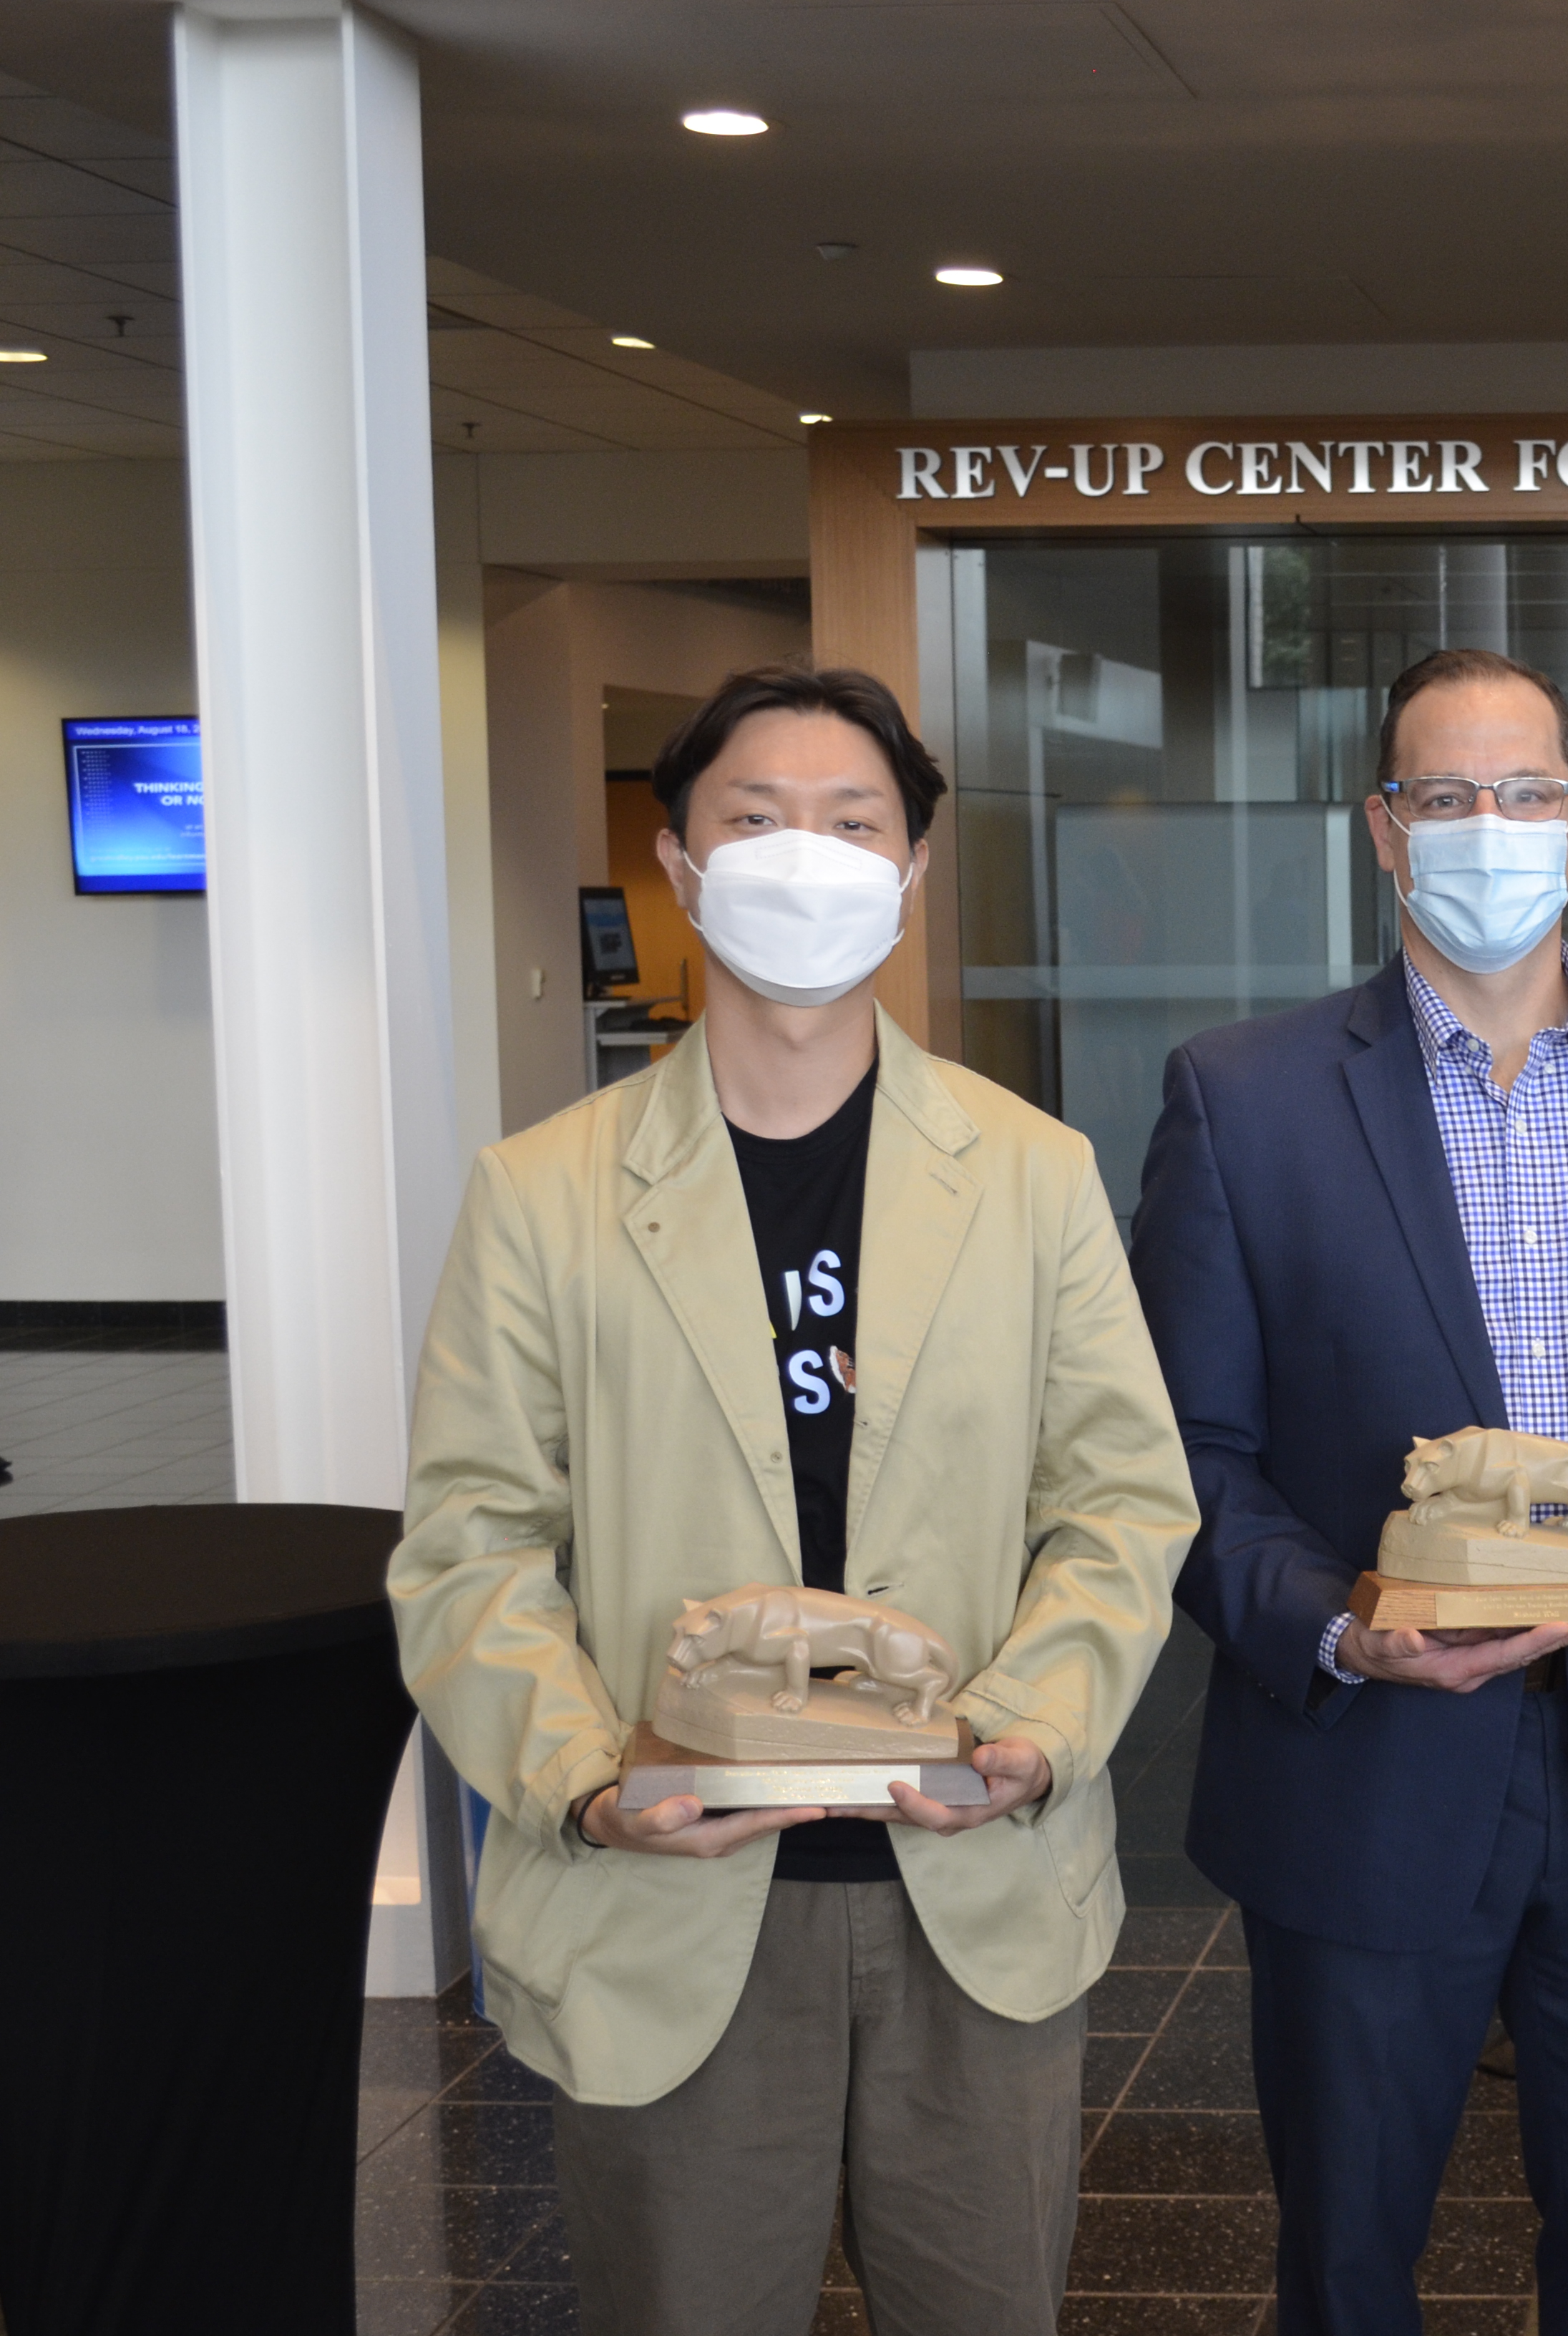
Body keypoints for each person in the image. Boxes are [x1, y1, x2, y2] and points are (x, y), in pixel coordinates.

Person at [387, 663, 1194, 2336]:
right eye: (754, 821)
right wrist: (594, 1783)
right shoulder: (542, 1196)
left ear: (908, 877)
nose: (803, 858)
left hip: (969, 1886)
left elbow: (1122, 1501)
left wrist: (1027, 1735)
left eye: (853, 825)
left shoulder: (1032, 1174)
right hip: (668, 1898)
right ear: (679, 868)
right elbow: (469, 1549)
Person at [1130, 646, 1568, 2335]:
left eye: (1523, 794)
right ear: (1383, 828)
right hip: (1364, 1780)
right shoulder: (1243, 1100)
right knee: (1349, 2268)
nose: (1486, 830)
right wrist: (1344, 1633)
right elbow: (1181, 1461)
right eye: (1444, 797)